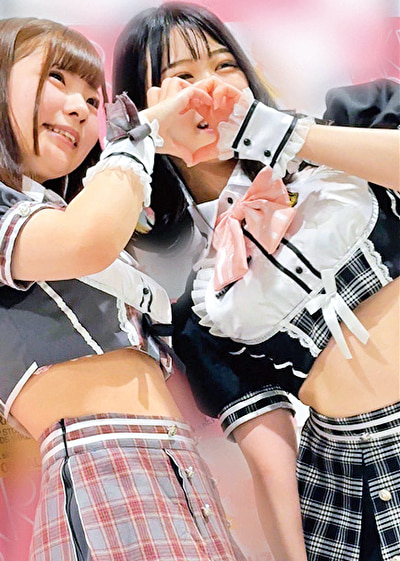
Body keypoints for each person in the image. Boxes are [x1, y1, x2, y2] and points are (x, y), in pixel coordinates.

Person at [112, 3, 400, 561]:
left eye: (225, 65)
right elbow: (271, 462)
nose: (211, 89)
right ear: (147, 109)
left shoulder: (343, 131)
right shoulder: (194, 298)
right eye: (183, 77)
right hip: (350, 487)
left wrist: (278, 134)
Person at [0, 16, 247, 561]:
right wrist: (139, 136)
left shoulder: (60, 210)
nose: (80, 108)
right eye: (57, 78)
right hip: (105, 463)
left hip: (176, 465)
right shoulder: (38, 218)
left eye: (93, 99)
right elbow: (84, 240)